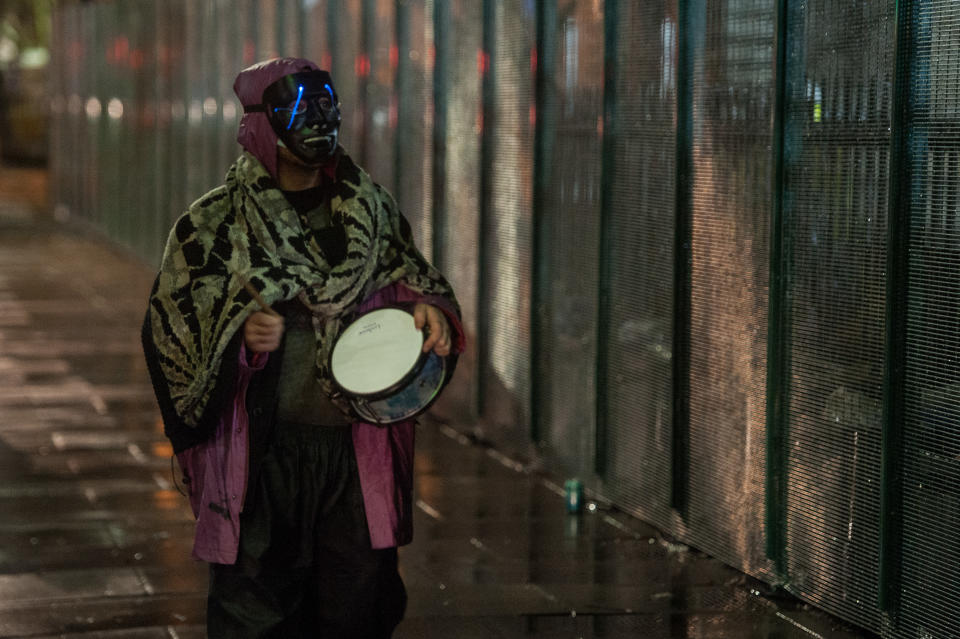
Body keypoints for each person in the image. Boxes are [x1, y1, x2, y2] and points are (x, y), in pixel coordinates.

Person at [141, 57, 463, 638]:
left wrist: (424, 311)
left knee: (359, 608)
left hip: (354, 452)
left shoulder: (372, 210)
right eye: (296, 107)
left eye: (325, 104)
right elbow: (173, 332)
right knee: (255, 612)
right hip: (261, 460)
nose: (316, 119)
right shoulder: (215, 226)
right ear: (262, 123)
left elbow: (414, 280)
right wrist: (238, 339)